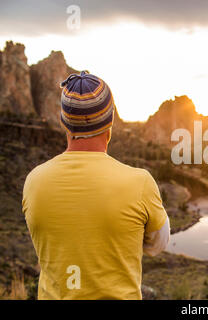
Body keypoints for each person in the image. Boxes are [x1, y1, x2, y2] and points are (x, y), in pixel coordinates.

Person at [22, 71, 170, 300]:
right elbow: (157, 245)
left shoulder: (34, 181)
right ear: (110, 121)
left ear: (64, 122)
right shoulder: (140, 182)